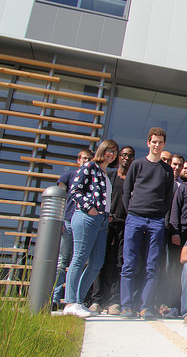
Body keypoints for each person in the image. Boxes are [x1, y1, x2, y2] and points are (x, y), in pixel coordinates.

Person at [120, 128, 174, 319]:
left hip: (156, 221)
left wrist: (161, 217)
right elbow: (126, 191)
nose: (157, 145)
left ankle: (145, 307)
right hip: (135, 218)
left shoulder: (167, 170)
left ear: (164, 144)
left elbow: (168, 197)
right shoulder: (137, 164)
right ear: (148, 143)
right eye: (154, 142)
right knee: (129, 263)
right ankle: (126, 306)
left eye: (160, 142)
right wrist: (131, 212)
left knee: (152, 266)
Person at [63, 140, 118, 317]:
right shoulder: (90, 166)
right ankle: (70, 302)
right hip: (86, 217)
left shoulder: (105, 173)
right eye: (109, 150)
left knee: (96, 263)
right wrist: (89, 208)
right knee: (79, 258)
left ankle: (79, 301)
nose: (112, 154)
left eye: (114, 152)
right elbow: (75, 190)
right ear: (102, 150)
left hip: (102, 221)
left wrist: (108, 215)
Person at [90, 146, 135, 316]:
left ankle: (114, 301)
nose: (126, 158)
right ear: (119, 158)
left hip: (125, 225)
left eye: (130, 156)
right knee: (100, 261)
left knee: (119, 263)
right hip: (105, 223)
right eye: (123, 155)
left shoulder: (134, 179)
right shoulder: (108, 176)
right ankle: (97, 300)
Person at [52, 148, 93, 310]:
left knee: (81, 261)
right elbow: (59, 196)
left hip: (84, 224)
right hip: (68, 221)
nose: (85, 161)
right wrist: (59, 220)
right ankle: (55, 298)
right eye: (83, 158)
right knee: (62, 261)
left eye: (88, 159)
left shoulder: (93, 181)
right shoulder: (68, 176)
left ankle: (76, 300)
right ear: (78, 160)